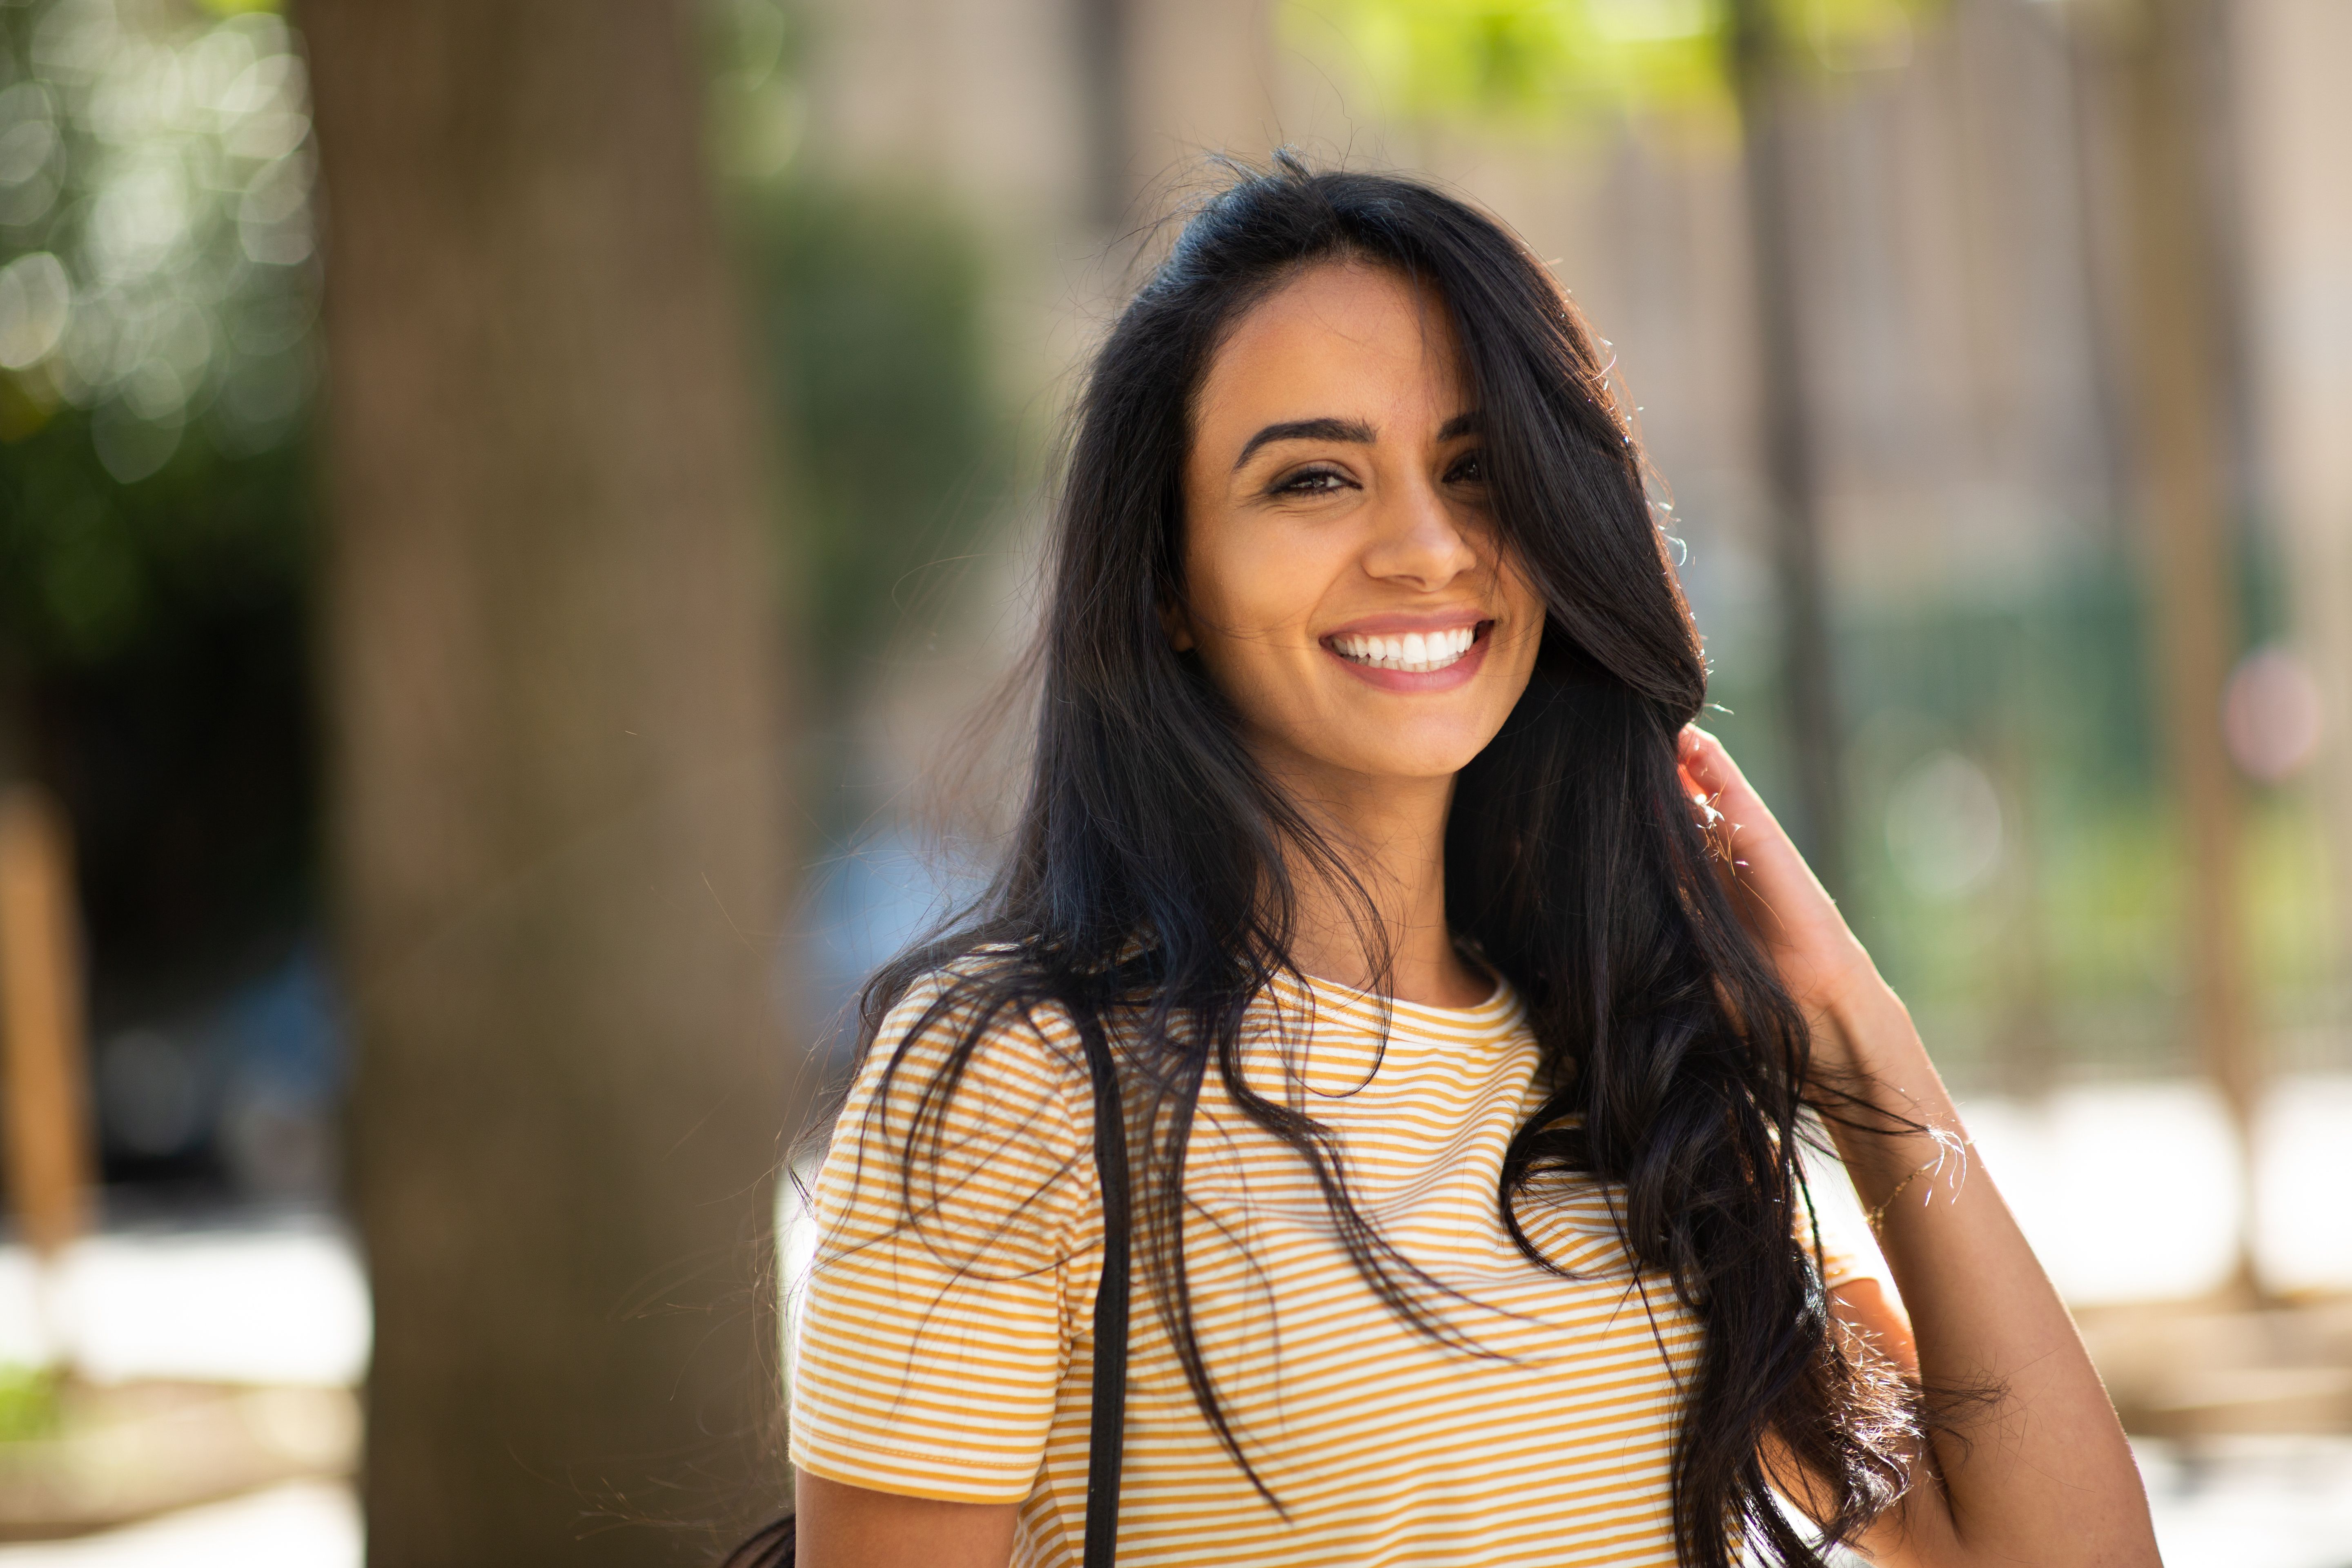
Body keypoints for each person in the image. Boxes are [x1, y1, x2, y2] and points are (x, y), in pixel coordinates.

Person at [779, 159, 2160, 1568]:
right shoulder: (1023, 1084)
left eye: (1479, 471)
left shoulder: (1622, 1071)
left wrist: (1858, 1036)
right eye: (1313, 478)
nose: (1428, 548)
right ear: (1167, 585)